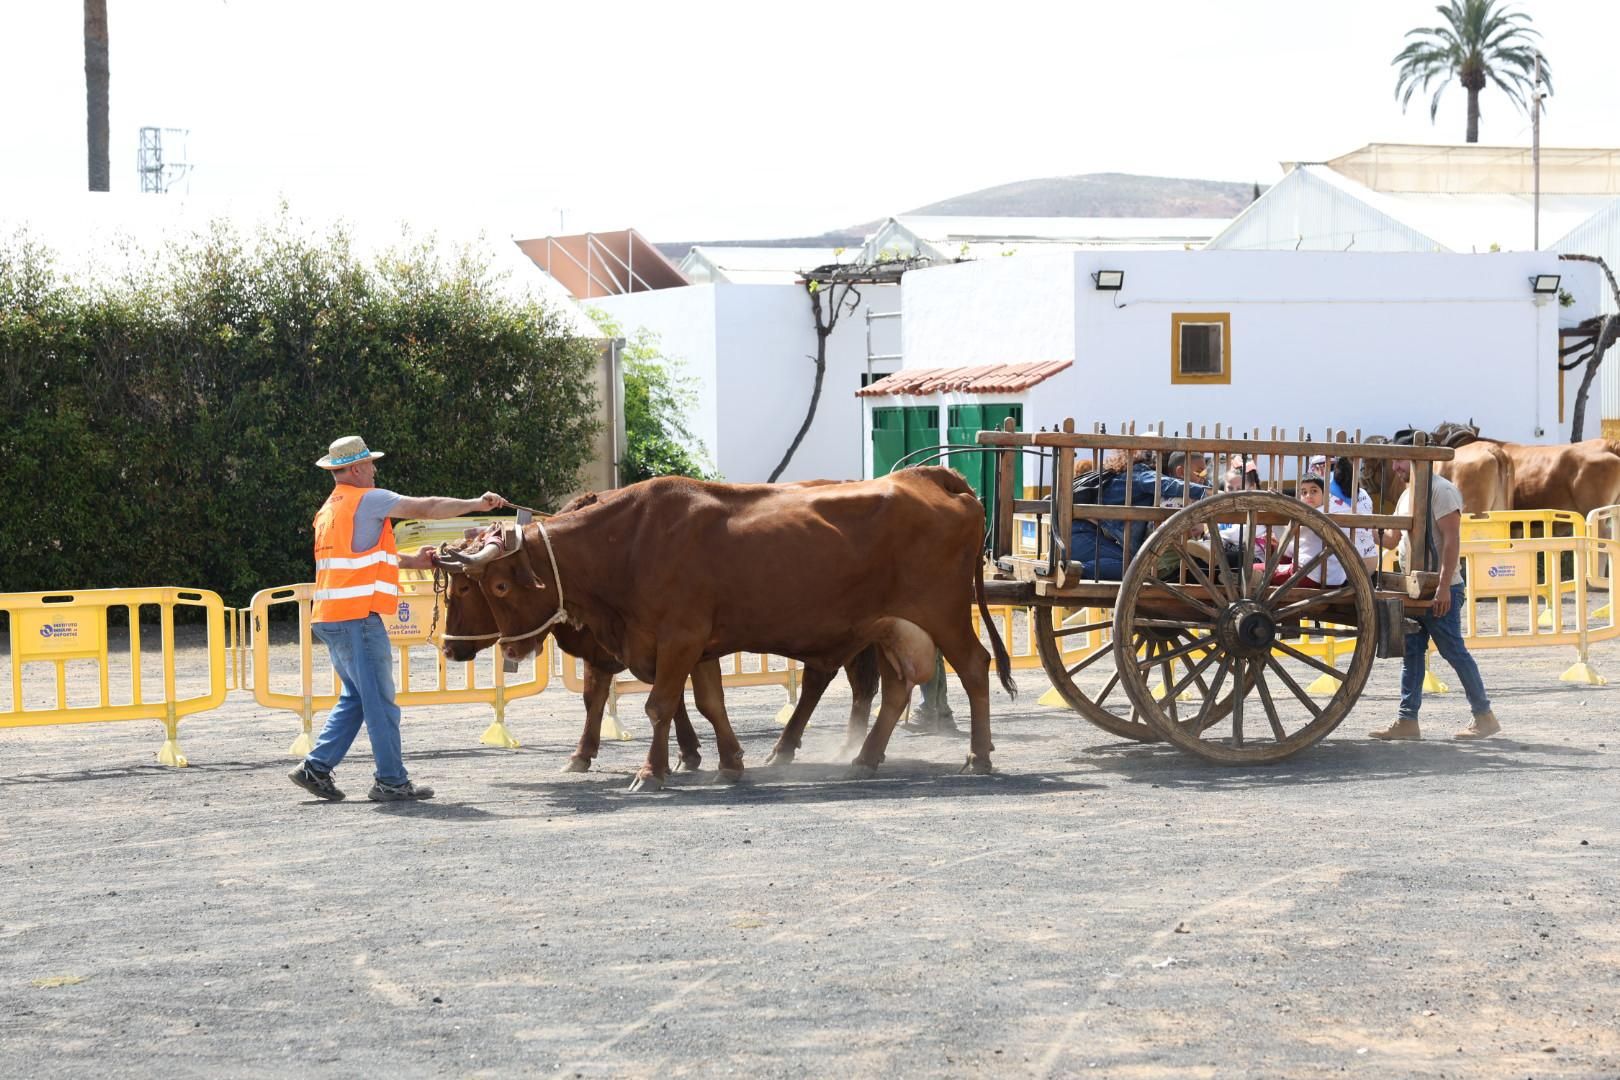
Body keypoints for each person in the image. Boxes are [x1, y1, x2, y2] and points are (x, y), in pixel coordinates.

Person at [288, 435, 511, 802]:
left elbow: (357, 559)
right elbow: (429, 507)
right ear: (358, 467)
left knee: (358, 698)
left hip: (331, 615)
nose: (375, 470)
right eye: (371, 464)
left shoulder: (330, 508)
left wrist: (411, 561)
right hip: (357, 618)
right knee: (380, 704)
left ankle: (315, 768)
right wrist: (477, 504)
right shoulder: (370, 499)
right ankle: (391, 781)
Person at [1369, 457, 1500, 741]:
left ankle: (1484, 716)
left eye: (1400, 461)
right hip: (1415, 588)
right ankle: (1407, 721)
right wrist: (1368, 525)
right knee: (1413, 653)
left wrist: (1442, 588)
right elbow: (1392, 540)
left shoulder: (1442, 491)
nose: (1395, 468)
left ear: (1419, 459)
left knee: (1454, 651)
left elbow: (1452, 539)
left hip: (1442, 588)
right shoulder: (1407, 495)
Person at [1071, 449, 1208, 579]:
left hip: (1080, 536)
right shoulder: (1140, 473)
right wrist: (1208, 493)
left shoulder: (1126, 474)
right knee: (1134, 569)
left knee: (1133, 565)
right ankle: (1074, 572)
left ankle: (1074, 569)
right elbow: (1168, 484)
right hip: (1083, 535)